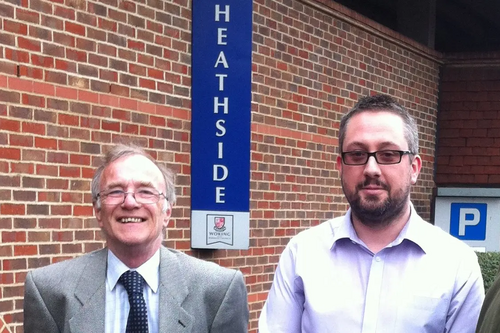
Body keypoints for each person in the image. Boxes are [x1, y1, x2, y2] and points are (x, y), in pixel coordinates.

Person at [259, 94, 484, 333]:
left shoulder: (456, 264)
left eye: (388, 155)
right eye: (357, 155)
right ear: (340, 166)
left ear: (414, 168)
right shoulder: (302, 254)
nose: (371, 169)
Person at [24, 143, 249, 333]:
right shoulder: (48, 292)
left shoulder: (218, 291)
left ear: (167, 212)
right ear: (98, 211)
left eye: (146, 191)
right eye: (115, 191)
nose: (130, 202)